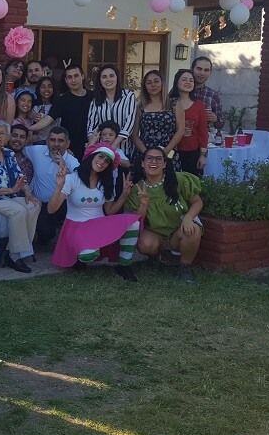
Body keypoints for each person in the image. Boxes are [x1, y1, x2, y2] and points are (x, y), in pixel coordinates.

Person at [49, 143, 142, 281]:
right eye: (100, 157)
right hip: (76, 226)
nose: (102, 162)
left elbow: (109, 211)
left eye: (107, 161)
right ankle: (80, 254)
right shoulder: (72, 179)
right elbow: (51, 210)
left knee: (133, 223)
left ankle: (124, 265)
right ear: (92, 156)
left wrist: (124, 195)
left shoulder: (107, 182)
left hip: (99, 225)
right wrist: (59, 186)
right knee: (88, 255)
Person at [124, 147, 204, 283]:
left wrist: (188, 218)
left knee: (193, 230)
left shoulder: (178, 179)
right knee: (144, 244)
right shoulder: (138, 188)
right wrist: (144, 204)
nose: (153, 162)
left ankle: (185, 266)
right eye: (149, 158)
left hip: (179, 229)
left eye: (158, 159)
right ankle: (155, 258)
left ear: (165, 164)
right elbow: (138, 220)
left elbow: (197, 202)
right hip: (156, 232)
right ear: (142, 163)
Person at [0, 121, 41, 273]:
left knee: (34, 206)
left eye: (2, 133)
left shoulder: (9, 153)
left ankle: (14, 247)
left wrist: (28, 192)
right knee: (18, 211)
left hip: (11, 195)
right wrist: (11, 190)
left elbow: (19, 175)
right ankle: (14, 256)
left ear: (6, 138)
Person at [22, 127, 79, 247]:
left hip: (63, 204)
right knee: (46, 234)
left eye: (60, 140)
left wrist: (64, 167)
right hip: (42, 204)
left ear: (67, 143)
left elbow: (80, 181)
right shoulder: (36, 151)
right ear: (47, 141)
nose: (56, 144)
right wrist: (28, 140)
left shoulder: (72, 161)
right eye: (53, 140)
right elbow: (17, 147)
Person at [29, 65, 93, 160]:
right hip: (69, 148)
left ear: (82, 76)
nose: (73, 80)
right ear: (66, 80)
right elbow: (48, 119)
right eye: (69, 77)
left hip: (91, 145)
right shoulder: (61, 100)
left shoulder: (94, 97)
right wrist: (29, 127)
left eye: (76, 76)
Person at [131, 70, 184, 170]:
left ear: (162, 83)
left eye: (156, 81)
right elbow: (134, 135)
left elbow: (180, 130)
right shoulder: (140, 107)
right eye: (149, 83)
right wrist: (147, 154)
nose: (153, 85)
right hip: (144, 152)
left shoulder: (174, 104)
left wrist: (165, 151)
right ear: (145, 86)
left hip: (168, 152)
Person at [86, 64, 137, 151]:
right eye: (104, 77)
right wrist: (92, 146)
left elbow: (129, 123)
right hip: (102, 149)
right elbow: (91, 126)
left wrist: (114, 145)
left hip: (123, 149)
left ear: (117, 78)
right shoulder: (96, 100)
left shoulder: (128, 96)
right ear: (100, 80)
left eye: (111, 76)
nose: (108, 79)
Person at [170, 69, 209, 176]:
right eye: (184, 79)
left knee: (191, 182)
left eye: (191, 80)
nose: (188, 82)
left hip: (192, 151)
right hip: (171, 149)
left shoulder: (198, 105)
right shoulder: (168, 103)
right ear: (176, 82)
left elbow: (203, 131)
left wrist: (203, 155)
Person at [190, 56, 224, 131]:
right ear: (192, 69)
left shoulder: (213, 95)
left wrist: (216, 119)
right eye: (199, 69)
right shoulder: (180, 90)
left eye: (206, 70)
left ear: (210, 73)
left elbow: (221, 124)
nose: (202, 73)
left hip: (202, 135)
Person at [32, 76, 57, 144]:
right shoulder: (34, 107)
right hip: (36, 142)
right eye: (43, 87)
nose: (46, 89)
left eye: (49, 86)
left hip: (53, 142)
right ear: (39, 89)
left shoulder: (57, 106)